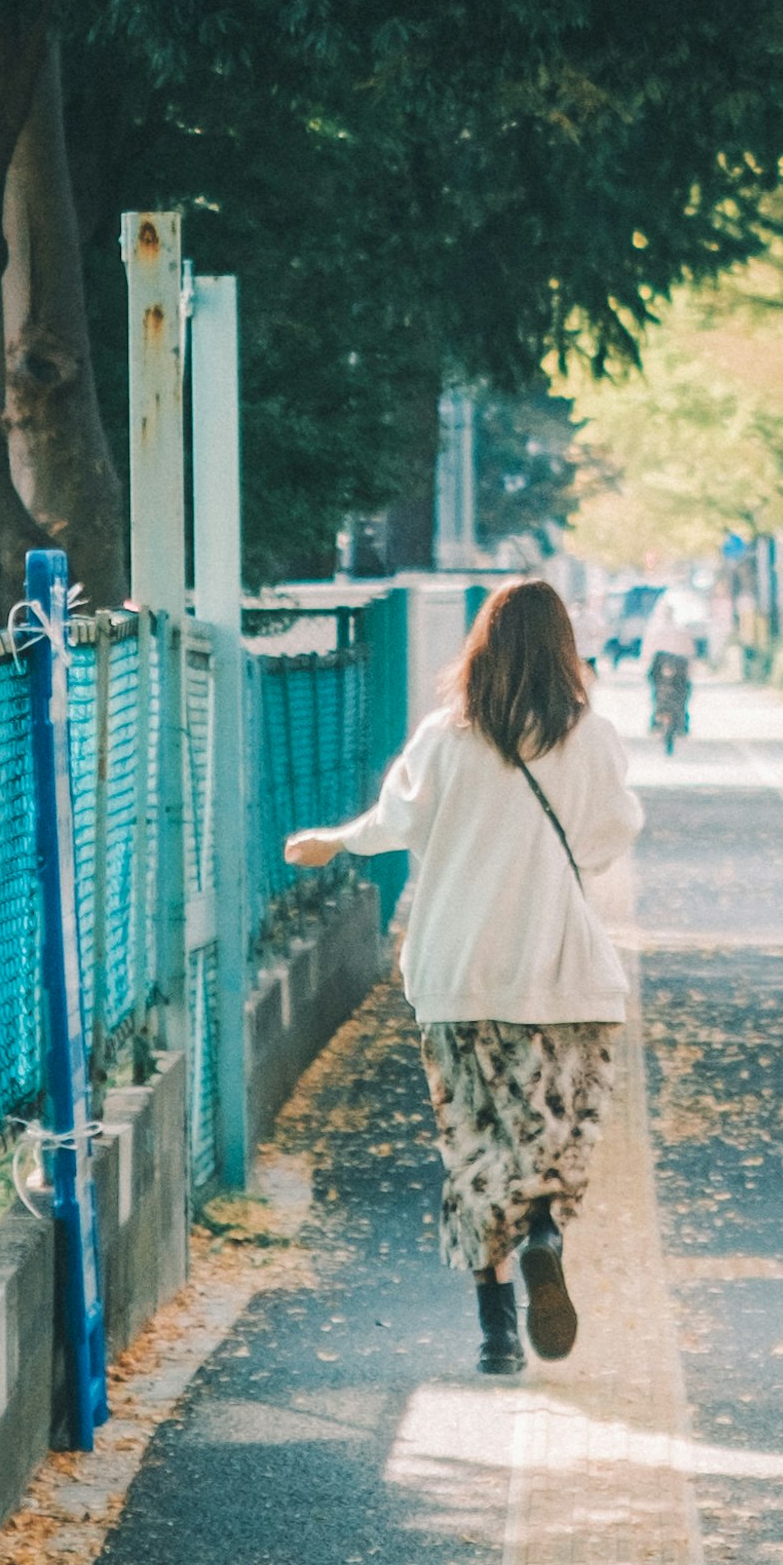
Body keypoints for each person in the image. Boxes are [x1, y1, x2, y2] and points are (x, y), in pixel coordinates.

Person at [287, 574, 639, 1382]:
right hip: (560, 972)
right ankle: (546, 1231)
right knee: (556, 1125)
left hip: (457, 973)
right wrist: (550, 864)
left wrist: (335, 841)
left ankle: (497, 1334)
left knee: (474, 1144)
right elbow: (612, 832)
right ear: (565, 648)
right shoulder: (591, 736)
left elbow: (391, 823)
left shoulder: (447, 736)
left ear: (481, 645)